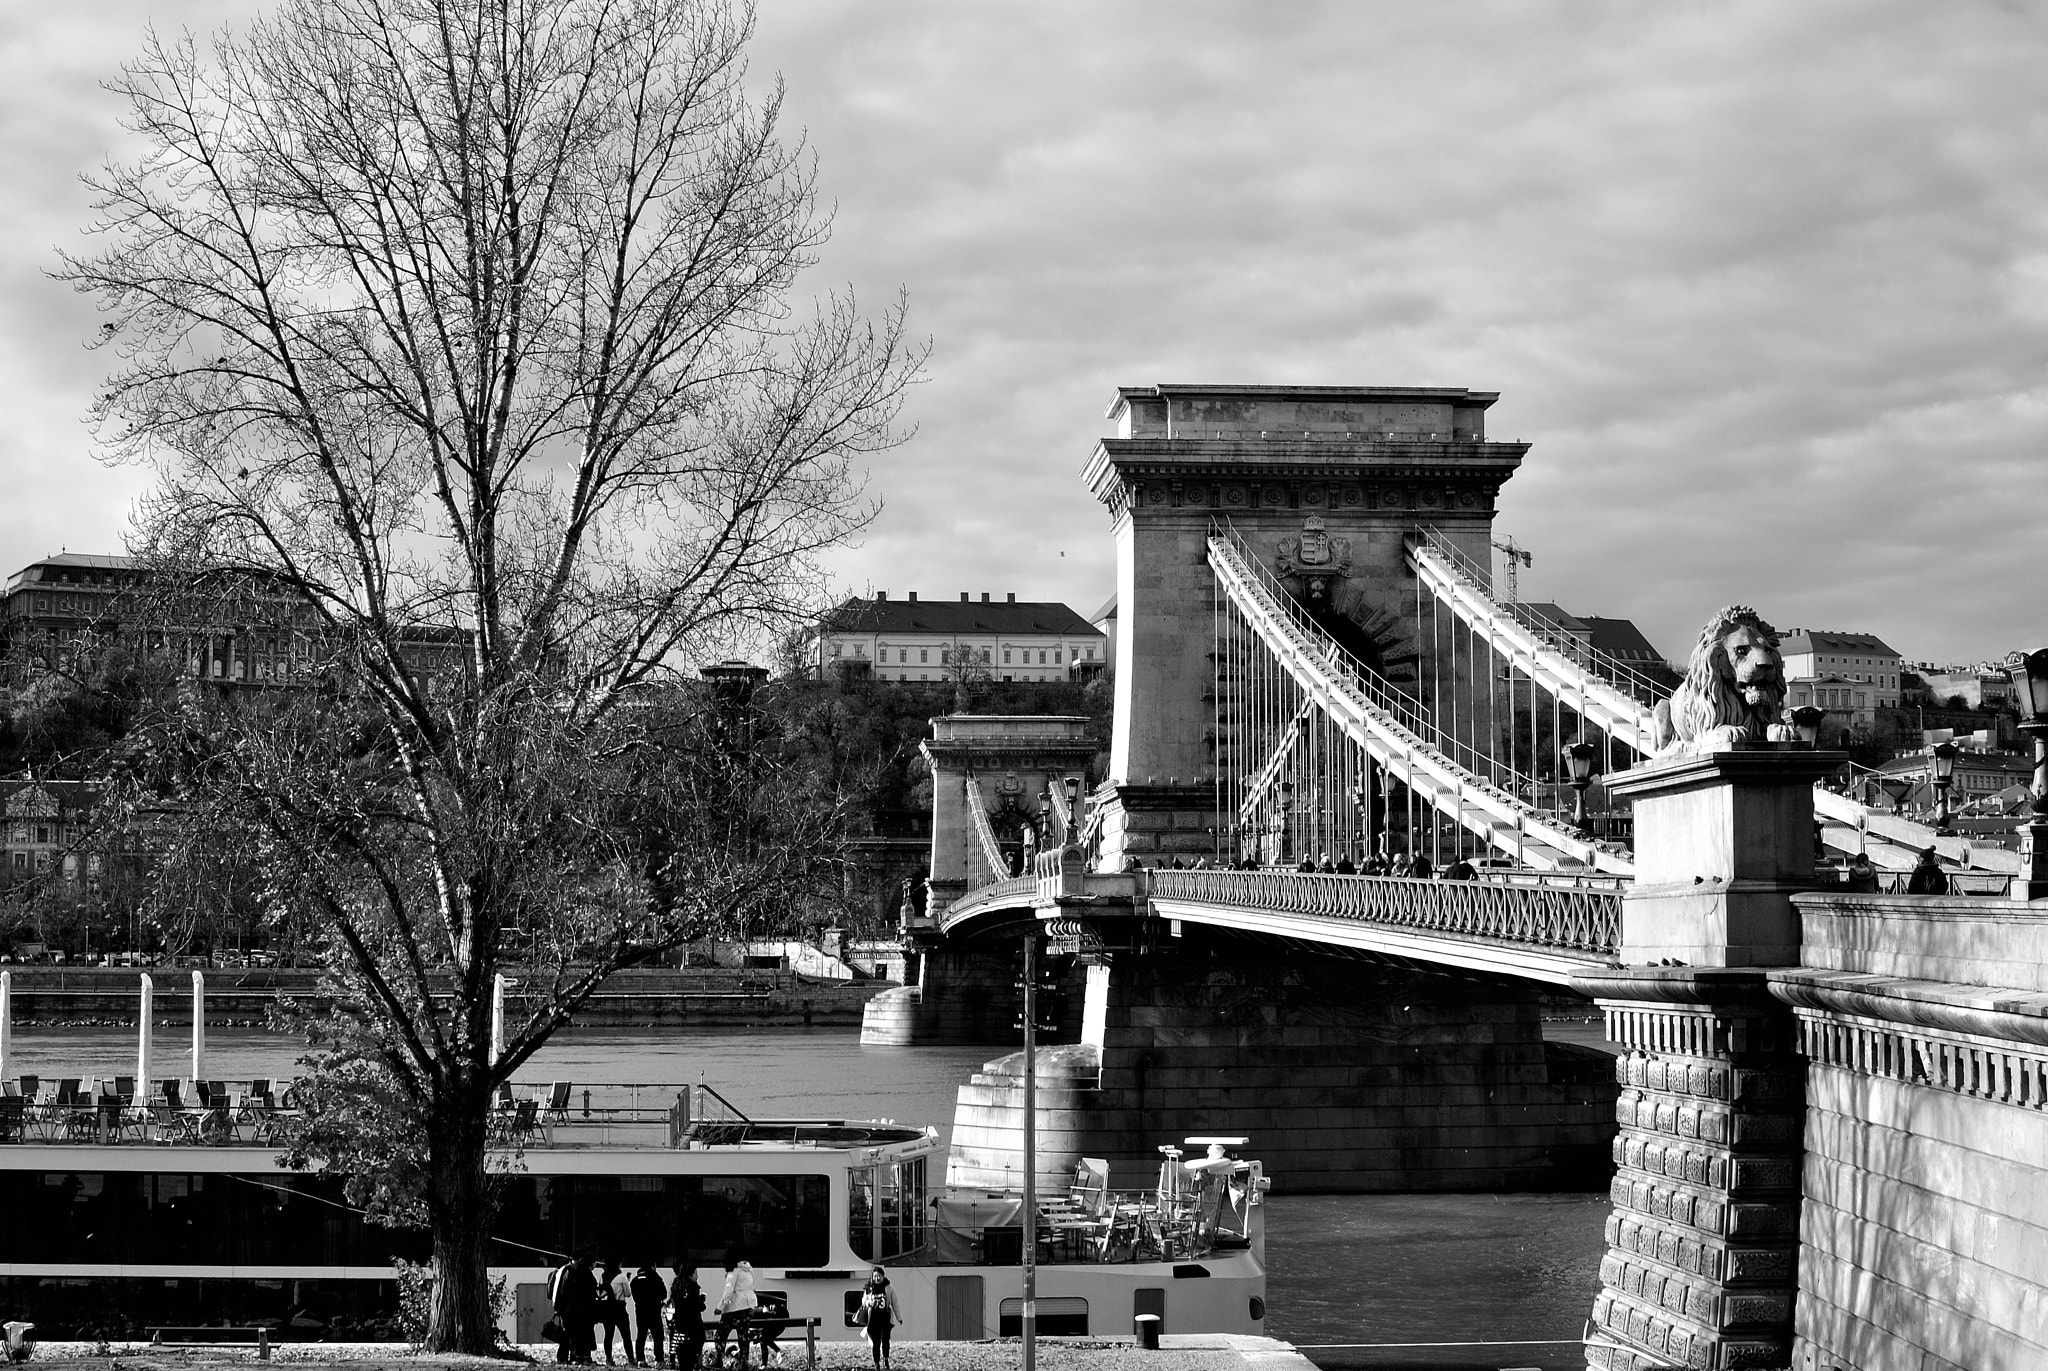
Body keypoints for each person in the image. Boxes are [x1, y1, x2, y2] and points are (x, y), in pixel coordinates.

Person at [550, 1253, 599, 1365]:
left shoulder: (570, 1271)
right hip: (578, 1309)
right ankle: (575, 1357)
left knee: (570, 1333)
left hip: (569, 1308)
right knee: (576, 1333)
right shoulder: (578, 1272)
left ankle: (569, 1357)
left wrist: (557, 1306)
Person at [713, 1258, 758, 1368]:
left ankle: (719, 1359)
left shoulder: (734, 1271)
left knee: (720, 1335)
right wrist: (752, 1305)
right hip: (747, 1307)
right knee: (743, 1337)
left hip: (734, 1307)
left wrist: (720, 1307)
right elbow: (753, 1288)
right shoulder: (748, 1269)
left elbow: (728, 1291)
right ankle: (744, 1362)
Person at [859, 1266, 899, 1371]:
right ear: (872, 1277)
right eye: (875, 1276)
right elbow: (863, 1301)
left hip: (885, 1318)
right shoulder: (869, 1288)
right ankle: (876, 1363)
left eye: (879, 1276)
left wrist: (899, 1317)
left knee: (885, 1340)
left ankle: (886, 1359)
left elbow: (894, 1303)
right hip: (873, 1319)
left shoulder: (889, 1288)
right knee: (875, 1343)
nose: (877, 1278)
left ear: (883, 1276)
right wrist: (869, 1302)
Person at [665, 1269, 706, 1371]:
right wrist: (701, 1300)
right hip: (693, 1328)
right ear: (690, 1275)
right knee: (692, 1355)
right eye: (695, 1273)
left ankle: (674, 1362)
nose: (697, 1276)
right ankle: (697, 1363)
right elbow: (699, 1306)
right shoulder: (693, 1288)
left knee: (683, 1358)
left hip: (679, 1327)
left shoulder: (676, 1288)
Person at [630, 1265, 668, 1366]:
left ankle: (640, 1360)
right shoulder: (655, 1278)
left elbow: (634, 1296)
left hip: (640, 1311)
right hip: (654, 1311)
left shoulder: (634, 1281)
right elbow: (664, 1294)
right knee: (658, 1336)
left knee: (641, 1335)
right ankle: (659, 1360)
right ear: (652, 1267)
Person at [596, 1260, 632, 1365]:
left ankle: (608, 1359)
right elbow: (628, 1294)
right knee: (626, 1335)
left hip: (607, 1309)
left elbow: (601, 1292)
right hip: (619, 1309)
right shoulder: (622, 1277)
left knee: (608, 1335)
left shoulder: (602, 1276)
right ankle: (630, 1359)